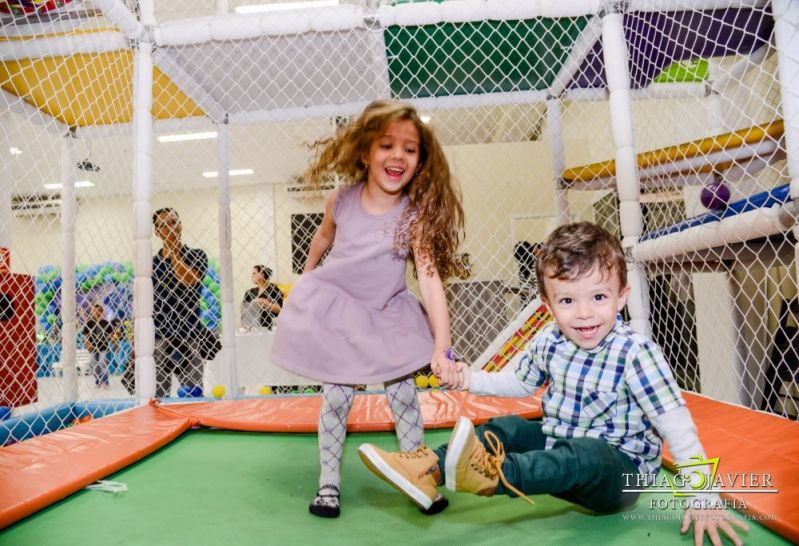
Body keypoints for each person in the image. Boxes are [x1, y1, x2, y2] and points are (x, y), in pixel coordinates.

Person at [358, 222, 748, 546]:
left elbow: (676, 426)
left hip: (617, 473)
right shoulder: (550, 340)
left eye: (598, 297)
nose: (584, 314)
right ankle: (428, 470)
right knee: (508, 427)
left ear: (621, 297)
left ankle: (494, 474)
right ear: (547, 304)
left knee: (584, 454)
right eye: (567, 301)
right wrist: (467, 378)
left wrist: (704, 496)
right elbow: (518, 383)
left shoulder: (635, 353)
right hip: (561, 449)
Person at [271, 99, 469, 518]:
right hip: (342, 312)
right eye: (387, 145)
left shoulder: (413, 215)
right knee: (337, 397)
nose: (398, 155)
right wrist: (306, 280)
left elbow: (430, 279)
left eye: (410, 149)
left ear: (420, 162)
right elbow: (322, 239)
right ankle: (328, 484)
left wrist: (442, 346)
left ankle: (418, 473)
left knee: (403, 395)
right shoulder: (341, 200)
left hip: (387, 312)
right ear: (365, 153)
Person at [152, 207, 209, 398]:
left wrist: (175, 253)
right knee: (159, 395)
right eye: (164, 225)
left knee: (192, 392)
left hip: (189, 333)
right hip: (160, 335)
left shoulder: (197, 255)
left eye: (173, 222)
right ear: (157, 232)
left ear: (181, 226)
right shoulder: (151, 264)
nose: (170, 227)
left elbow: (189, 280)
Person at [82, 301, 114, 389]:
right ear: (92, 312)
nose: (96, 313)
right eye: (95, 311)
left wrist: (109, 338)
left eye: (98, 311)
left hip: (103, 346)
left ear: (101, 312)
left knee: (102, 361)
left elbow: (111, 334)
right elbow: (85, 335)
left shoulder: (105, 323)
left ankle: (105, 381)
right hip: (93, 347)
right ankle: (98, 380)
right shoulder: (89, 322)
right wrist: (88, 344)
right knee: (94, 363)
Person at [241, 265, 283, 330]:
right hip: (251, 328)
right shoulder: (249, 292)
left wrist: (263, 302)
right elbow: (243, 309)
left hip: (269, 327)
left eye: (254, 273)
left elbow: (280, 310)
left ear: (262, 274)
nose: (252, 276)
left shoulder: (274, 290)